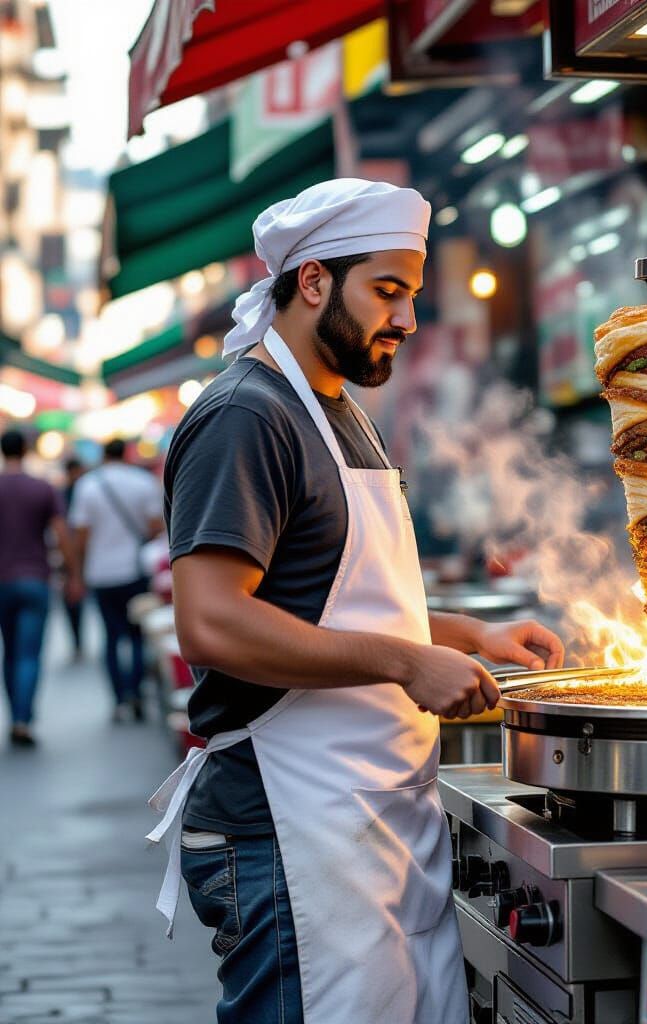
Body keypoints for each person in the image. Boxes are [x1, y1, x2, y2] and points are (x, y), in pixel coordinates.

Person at [148, 178, 564, 1024]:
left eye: (411, 293)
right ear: (311, 283)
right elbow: (214, 621)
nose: (408, 318)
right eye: (388, 290)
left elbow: (331, 596)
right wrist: (408, 661)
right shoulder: (245, 416)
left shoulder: (342, 413)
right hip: (288, 824)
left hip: (369, 818)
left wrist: (471, 633)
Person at [68, 438, 163, 721]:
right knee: (136, 634)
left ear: (103, 455)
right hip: (135, 569)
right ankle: (135, 690)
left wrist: (77, 574)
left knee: (111, 637)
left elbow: (81, 535)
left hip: (102, 573)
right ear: (126, 454)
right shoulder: (142, 482)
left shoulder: (88, 486)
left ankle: (119, 698)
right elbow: (155, 527)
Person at [0, 429, 81, 746]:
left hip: (1, 582)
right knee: (29, 654)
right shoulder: (42, 488)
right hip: (35, 578)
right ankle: (23, 718)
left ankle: (15, 714)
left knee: (10, 650)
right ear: (27, 449)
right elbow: (62, 534)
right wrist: (74, 575)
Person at [61, 456, 86, 660]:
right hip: (75, 554)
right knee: (72, 600)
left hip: (71, 555)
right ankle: (77, 639)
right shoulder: (81, 492)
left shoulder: (64, 494)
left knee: (72, 599)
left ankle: (78, 639)